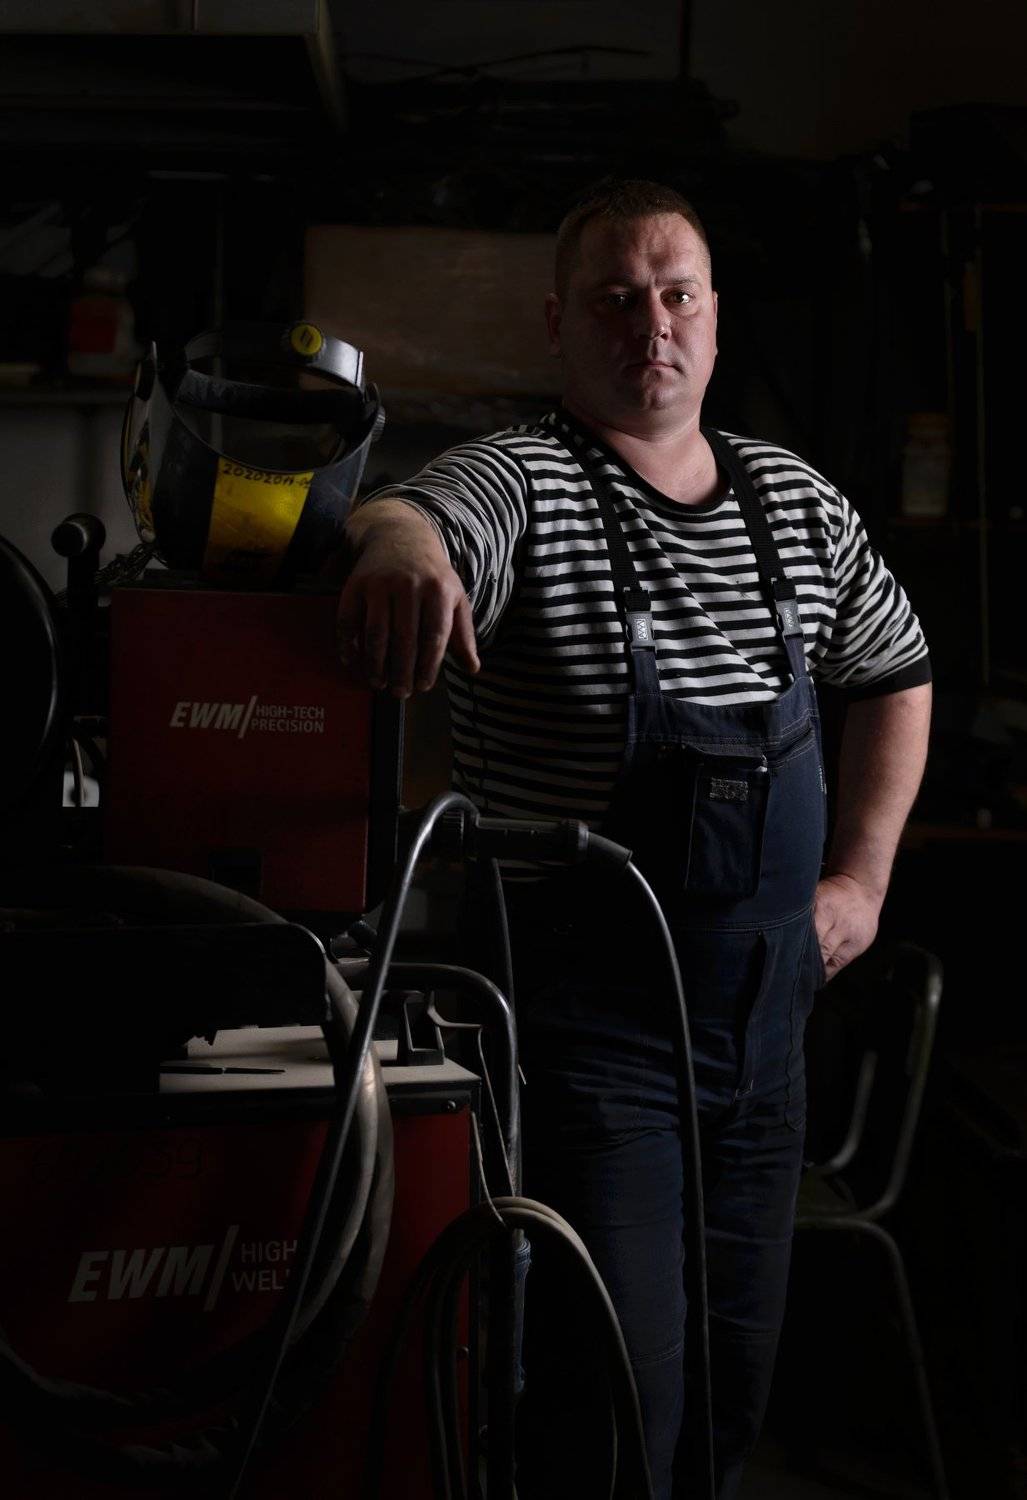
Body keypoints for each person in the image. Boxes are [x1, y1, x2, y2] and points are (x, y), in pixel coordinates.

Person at [338, 179, 932, 1500]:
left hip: (764, 1035)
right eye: (615, 300)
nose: (650, 325)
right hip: (587, 1042)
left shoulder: (795, 501)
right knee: (614, 1403)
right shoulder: (527, 481)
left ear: (715, 319)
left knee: (728, 1394)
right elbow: (413, 512)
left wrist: (862, 877)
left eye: (676, 297)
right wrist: (398, 547)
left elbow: (897, 669)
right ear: (562, 324)